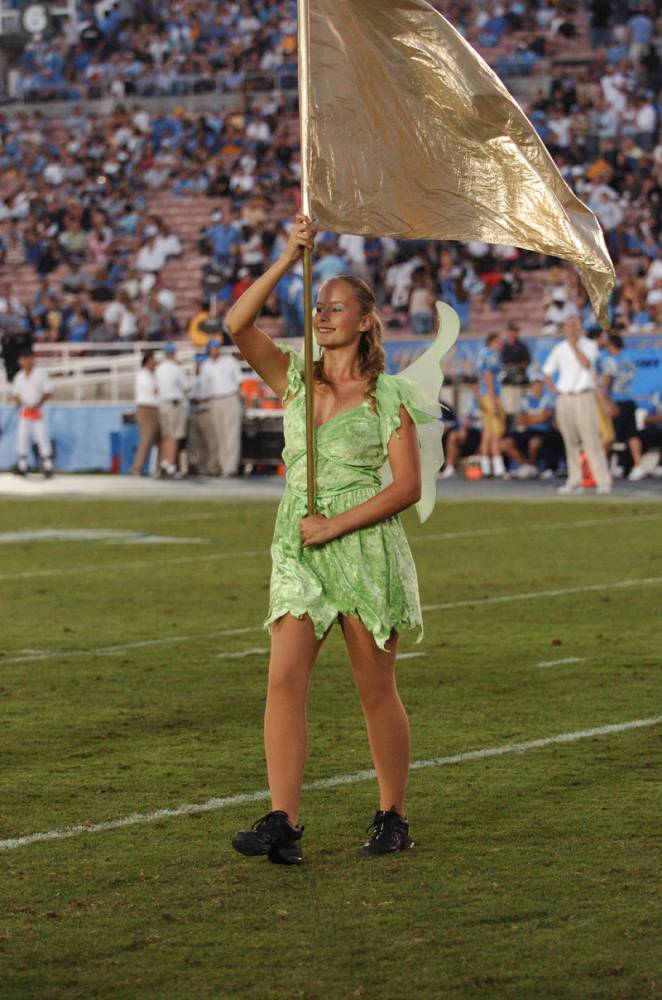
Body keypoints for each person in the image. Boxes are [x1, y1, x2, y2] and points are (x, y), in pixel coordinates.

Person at [225, 214, 443, 865]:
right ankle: (283, 821)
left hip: (362, 542)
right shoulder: (294, 377)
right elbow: (236, 324)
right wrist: (287, 255)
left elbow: (405, 487)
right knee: (283, 681)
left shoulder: (387, 396)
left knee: (374, 689)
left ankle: (393, 815)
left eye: (336, 307)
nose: (322, 316)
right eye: (318, 306)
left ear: (366, 320)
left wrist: (335, 526)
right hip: (297, 542)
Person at [542, 317, 612, 494]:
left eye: (575, 326)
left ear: (580, 328)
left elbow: (586, 363)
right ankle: (575, 480)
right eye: (569, 326)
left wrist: (574, 345)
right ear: (564, 328)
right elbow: (547, 372)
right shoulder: (559, 348)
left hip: (584, 395)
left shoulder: (589, 345)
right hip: (565, 397)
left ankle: (602, 480)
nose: (572, 329)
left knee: (591, 439)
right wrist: (553, 389)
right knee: (570, 440)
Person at [600, 333, 646, 481]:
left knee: (608, 436)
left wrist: (606, 402)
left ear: (612, 345)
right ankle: (638, 465)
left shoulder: (610, 361)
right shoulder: (628, 359)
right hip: (629, 400)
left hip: (616, 402)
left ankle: (599, 468)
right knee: (631, 435)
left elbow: (606, 384)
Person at [199, 337, 243, 477]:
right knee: (219, 435)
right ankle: (223, 466)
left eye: (217, 347)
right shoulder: (206, 365)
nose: (215, 350)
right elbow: (204, 387)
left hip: (230, 397)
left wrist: (241, 398)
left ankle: (231, 467)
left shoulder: (230, 361)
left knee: (231, 434)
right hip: (214, 400)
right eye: (212, 348)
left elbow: (239, 381)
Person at [11, 348, 54, 478]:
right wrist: (19, 402)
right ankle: (22, 466)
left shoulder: (40, 373)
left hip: (38, 410)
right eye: (22, 359)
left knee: (41, 436)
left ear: (32, 359)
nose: (24, 361)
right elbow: (16, 393)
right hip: (25, 411)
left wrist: (37, 405)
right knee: (22, 437)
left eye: (27, 358)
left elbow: (48, 391)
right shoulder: (19, 376)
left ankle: (47, 466)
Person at [475, 331, 507, 478]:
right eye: (499, 341)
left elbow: (479, 378)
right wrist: (493, 401)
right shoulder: (492, 354)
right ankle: (498, 467)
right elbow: (488, 376)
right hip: (490, 395)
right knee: (496, 432)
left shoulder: (482, 353)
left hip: (483, 395)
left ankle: (486, 466)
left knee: (487, 433)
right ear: (493, 341)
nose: (502, 344)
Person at [154, 342, 186, 478]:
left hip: (162, 403)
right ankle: (171, 465)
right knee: (173, 436)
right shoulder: (175, 367)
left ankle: (165, 462)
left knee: (165, 436)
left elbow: (155, 388)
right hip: (173, 403)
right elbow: (186, 385)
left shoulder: (159, 368)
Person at [129, 349, 159, 476]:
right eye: (153, 360)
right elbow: (154, 390)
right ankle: (137, 467)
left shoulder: (153, 375)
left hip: (155, 408)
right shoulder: (143, 374)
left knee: (158, 439)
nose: (155, 363)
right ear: (147, 362)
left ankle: (159, 467)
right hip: (146, 408)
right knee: (146, 439)